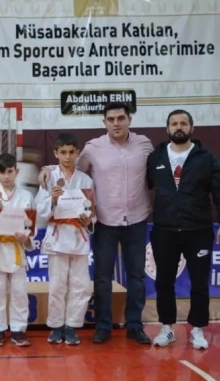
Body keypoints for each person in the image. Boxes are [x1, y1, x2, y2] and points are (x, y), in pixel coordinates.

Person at [39, 102, 152, 344]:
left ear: (129, 120)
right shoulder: (93, 148)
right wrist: (48, 172)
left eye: (120, 118)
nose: (116, 123)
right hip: (103, 223)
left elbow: (156, 172)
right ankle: (101, 326)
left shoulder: (144, 145)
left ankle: (134, 326)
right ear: (104, 122)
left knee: (135, 277)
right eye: (111, 119)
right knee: (99, 278)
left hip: (135, 219)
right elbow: (67, 167)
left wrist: (86, 219)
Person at [146, 109, 220, 350]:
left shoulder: (206, 158)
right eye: (174, 123)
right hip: (164, 230)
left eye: (183, 123)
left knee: (199, 283)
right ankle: (167, 328)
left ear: (192, 128)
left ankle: (197, 329)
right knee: (163, 282)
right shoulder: (156, 157)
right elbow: (145, 184)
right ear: (167, 129)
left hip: (198, 230)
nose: (178, 127)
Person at [36, 134, 95, 346]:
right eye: (63, 152)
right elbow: (40, 210)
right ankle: (56, 326)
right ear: (56, 154)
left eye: (71, 152)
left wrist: (89, 220)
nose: (67, 157)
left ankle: (72, 326)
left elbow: (91, 210)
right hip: (58, 236)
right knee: (57, 286)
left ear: (77, 153)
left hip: (78, 236)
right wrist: (52, 199)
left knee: (81, 286)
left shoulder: (86, 180)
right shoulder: (48, 177)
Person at [0, 153, 35, 347]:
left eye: (10, 171)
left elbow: (31, 225)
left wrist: (26, 237)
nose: (6, 176)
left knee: (19, 291)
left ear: (16, 172)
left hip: (17, 247)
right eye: (2, 172)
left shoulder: (27, 196)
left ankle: (19, 330)